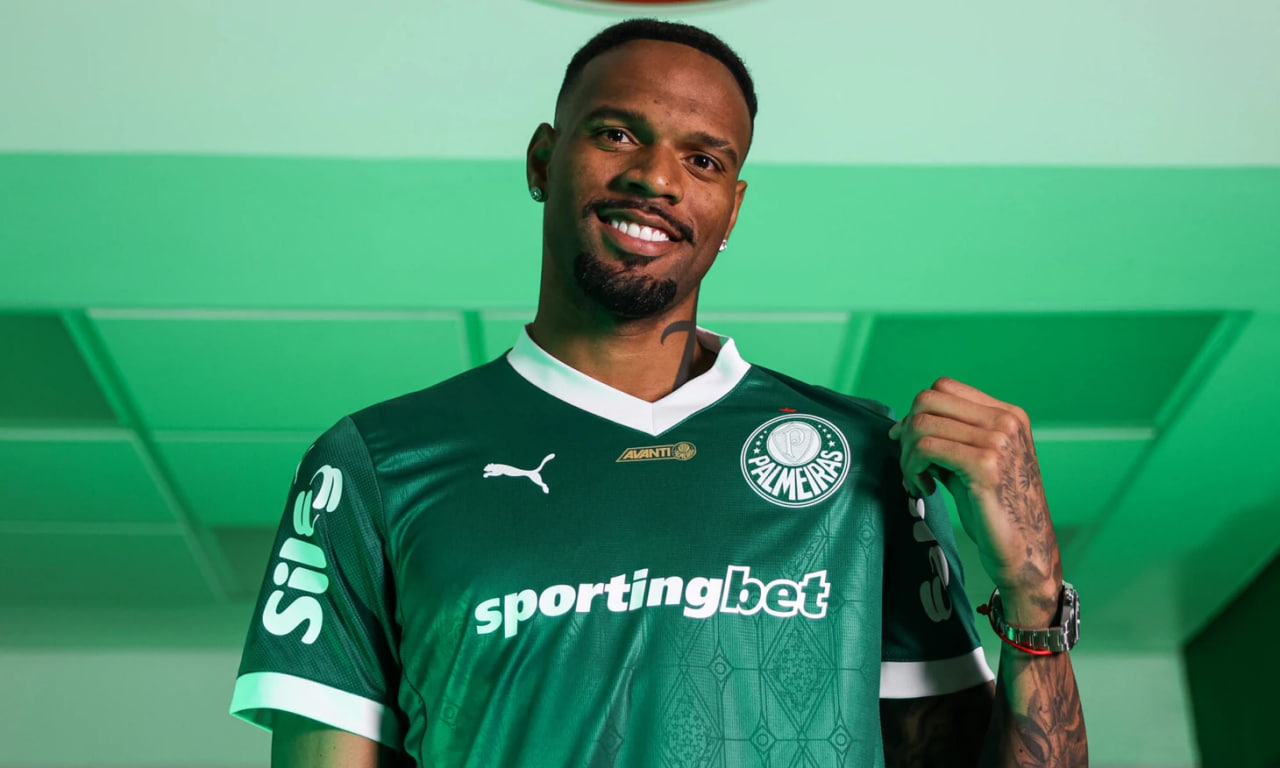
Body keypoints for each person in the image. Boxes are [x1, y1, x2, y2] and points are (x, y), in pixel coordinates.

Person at [230, 19, 1087, 767]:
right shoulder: (374, 467)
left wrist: (1033, 590)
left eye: (702, 159)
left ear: (732, 209)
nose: (656, 178)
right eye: (616, 134)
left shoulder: (864, 461)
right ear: (541, 160)